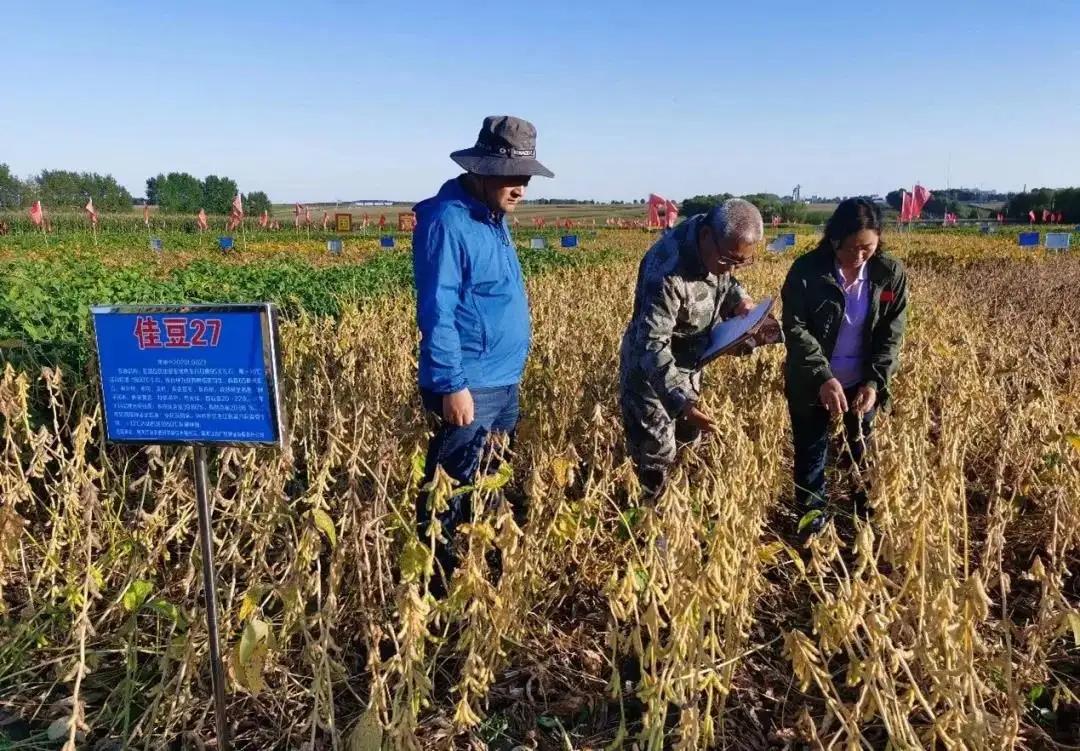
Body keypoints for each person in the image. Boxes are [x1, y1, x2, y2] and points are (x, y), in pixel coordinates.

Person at [412, 115, 554, 587]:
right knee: (449, 490)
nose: (521, 188)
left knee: (490, 479)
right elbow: (438, 309)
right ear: (482, 170)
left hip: (503, 380)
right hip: (471, 384)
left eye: (526, 177)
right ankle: (435, 590)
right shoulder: (448, 221)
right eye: (512, 176)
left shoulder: (492, 217)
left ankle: (477, 576)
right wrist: (452, 384)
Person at [619, 198, 778, 501]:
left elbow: (726, 281)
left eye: (741, 262)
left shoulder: (717, 246)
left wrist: (740, 301)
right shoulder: (666, 272)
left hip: (690, 360)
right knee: (656, 453)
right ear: (706, 237)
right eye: (730, 260)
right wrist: (683, 403)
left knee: (688, 444)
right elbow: (652, 344)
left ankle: (681, 512)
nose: (732, 268)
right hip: (650, 371)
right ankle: (651, 519)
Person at [780, 198, 908, 535]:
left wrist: (874, 382)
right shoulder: (807, 272)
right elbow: (796, 329)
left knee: (862, 453)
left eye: (868, 248)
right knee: (812, 456)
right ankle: (812, 529)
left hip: (861, 384)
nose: (859, 256)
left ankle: (865, 524)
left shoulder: (888, 274)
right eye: (852, 248)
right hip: (812, 382)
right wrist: (822, 377)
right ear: (835, 239)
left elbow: (891, 335)